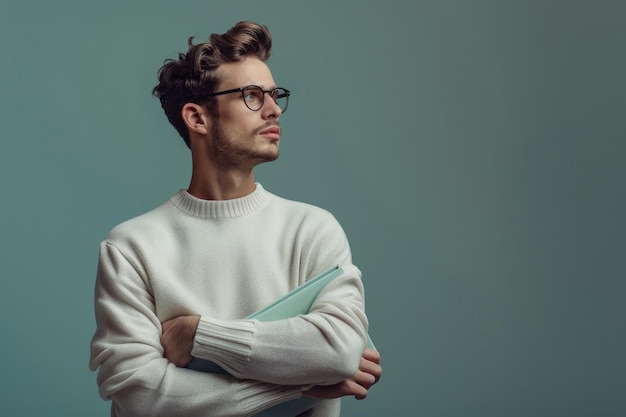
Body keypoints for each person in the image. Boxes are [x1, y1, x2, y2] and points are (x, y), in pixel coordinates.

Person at [89, 21, 382, 417]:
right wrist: (299, 389)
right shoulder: (131, 247)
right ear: (197, 118)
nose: (274, 108)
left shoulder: (312, 229)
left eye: (275, 95)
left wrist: (199, 336)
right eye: (251, 96)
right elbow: (141, 395)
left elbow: (341, 349)